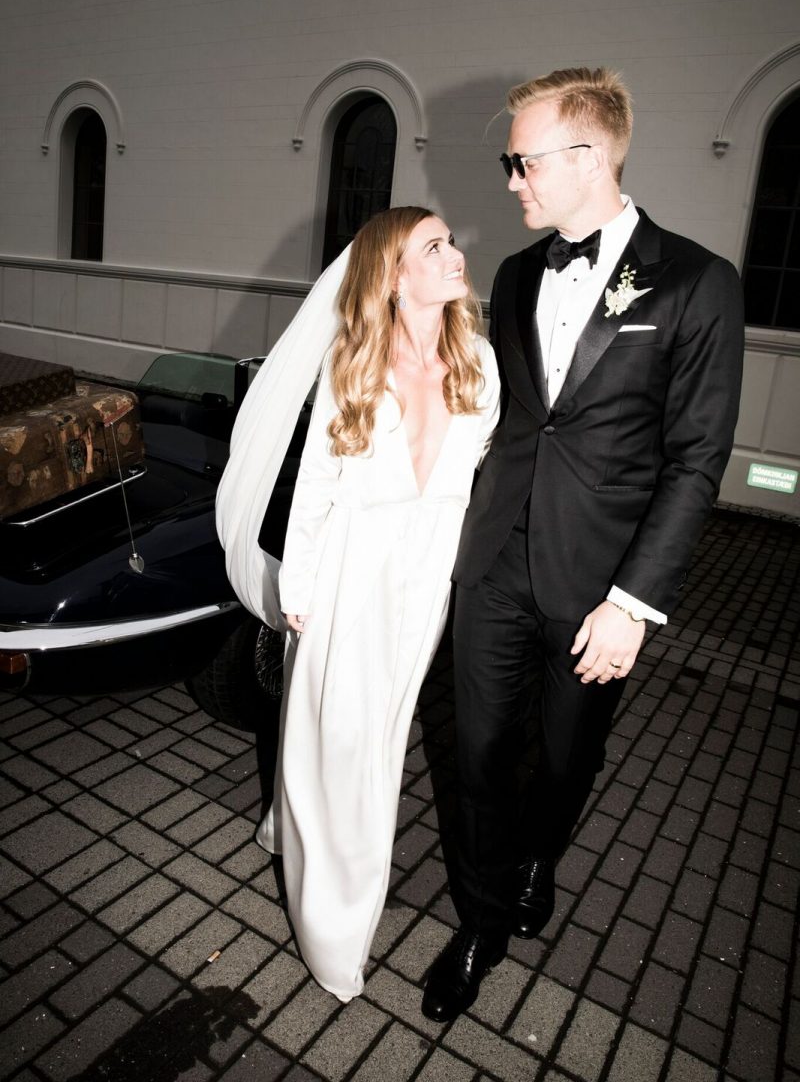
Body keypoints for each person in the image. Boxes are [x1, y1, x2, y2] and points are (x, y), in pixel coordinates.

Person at [421, 67, 745, 1022]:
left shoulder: (696, 282)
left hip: (599, 586)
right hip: (494, 565)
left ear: (590, 157)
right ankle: (481, 923)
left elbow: (696, 460)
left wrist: (634, 604)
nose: (511, 180)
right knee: (478, 752)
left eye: (523, 162)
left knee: (565, 759)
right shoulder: (517, 274)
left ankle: (539, 858)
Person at [216, 206, 500, 1002]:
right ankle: (335, 933)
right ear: (394, 276)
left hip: (426, 583)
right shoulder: (355, 363)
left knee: (376, 740)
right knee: (337, 740)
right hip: (348, 577)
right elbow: (315, 489)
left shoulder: (478, 361)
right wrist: (300, 587)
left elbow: (477, 470)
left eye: (451, 240)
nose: (454, 254)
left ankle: (292, 829)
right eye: (433, 246)